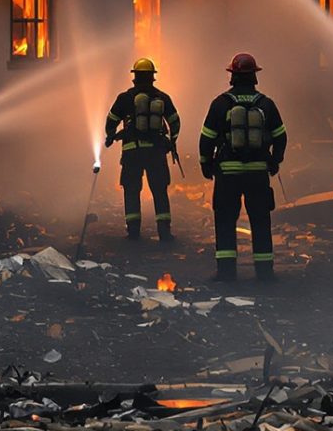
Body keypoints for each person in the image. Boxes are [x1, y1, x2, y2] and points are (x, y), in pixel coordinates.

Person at [198, 52, 285, 280]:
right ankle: (265, 273)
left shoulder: (220, 104)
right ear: (255, 77)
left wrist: (206, 165)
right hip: (257, 173)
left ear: (232, 77)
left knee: (226, 221)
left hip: (228, 173)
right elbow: (281, 137)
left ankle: (226, 273)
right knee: (260, 221)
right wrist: (275, 161)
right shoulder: (266, 104)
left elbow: (206, 138)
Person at [104, 57, 182, 240]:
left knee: (131, 190)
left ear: (135, 77)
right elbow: (175, 123)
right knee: (159, 190)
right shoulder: (162, 98)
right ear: (152, 77)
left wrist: (110, 136)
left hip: (132, 152)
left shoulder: (125, 98)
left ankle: (133, 232)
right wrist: (172, 141)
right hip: (156, 153)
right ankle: (164, 232)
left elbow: (111, 121)